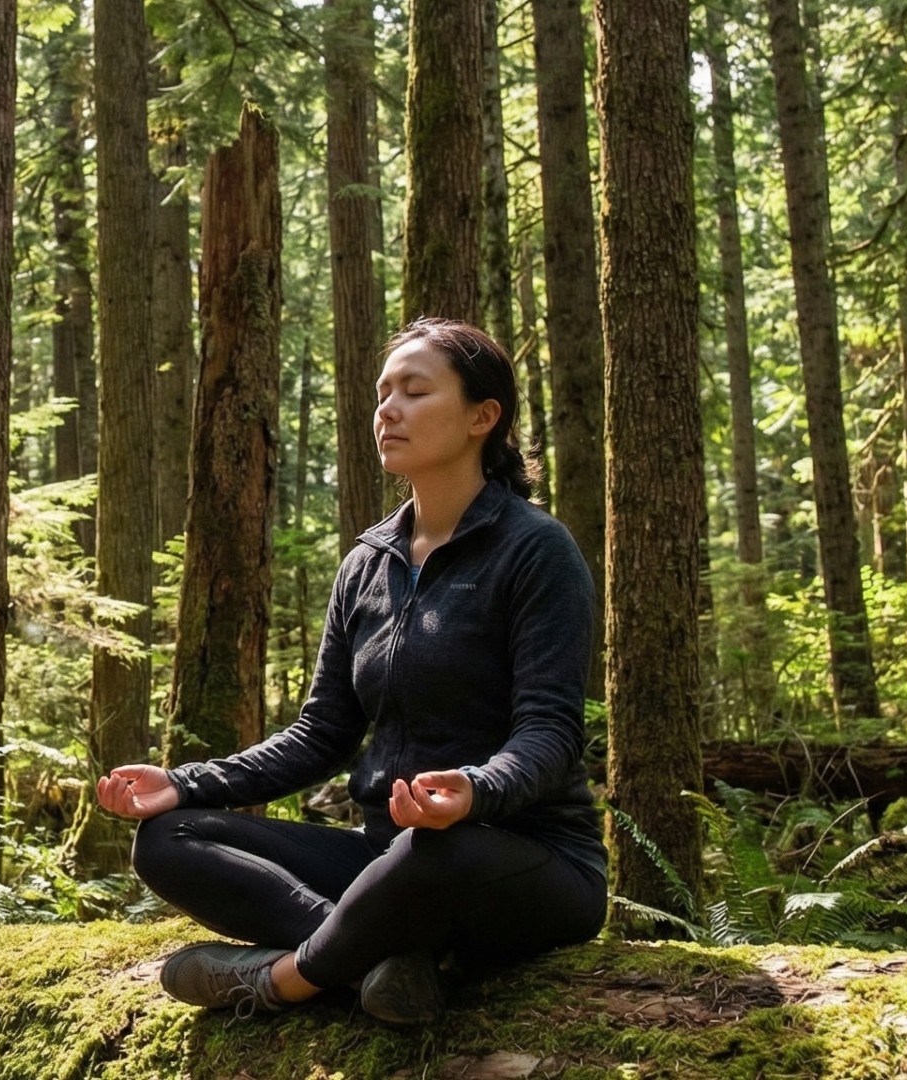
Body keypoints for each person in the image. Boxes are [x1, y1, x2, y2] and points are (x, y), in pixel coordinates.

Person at [95, 317, 606, 1025]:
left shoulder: (537, 552)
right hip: (387, 861)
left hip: (521, 860)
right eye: (382, 393)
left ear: (481, 417)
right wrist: (183, 782)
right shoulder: (368, 564)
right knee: (168, 838)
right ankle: (389, 961)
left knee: (436, 852)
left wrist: (476, 791)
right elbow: (321, 733)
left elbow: (550, 733)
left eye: (415, 392)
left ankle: (287, 981)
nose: (388, 410)